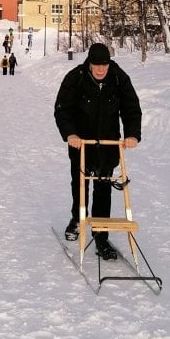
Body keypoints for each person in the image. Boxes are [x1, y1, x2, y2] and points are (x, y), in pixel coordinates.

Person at [54, 43, 141, 260]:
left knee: (103, 187)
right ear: (89, 64)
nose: (101, 70)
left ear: (109, 64)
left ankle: (101, 237)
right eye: (97, 65)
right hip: (81, 143)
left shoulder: (119, 78)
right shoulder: (76, 78)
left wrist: (132, 134)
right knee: (80, 183)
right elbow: (62, 109)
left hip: (109, 143)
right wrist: (70, 134)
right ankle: (78, 218)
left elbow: (131, 108)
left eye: (105, 65)